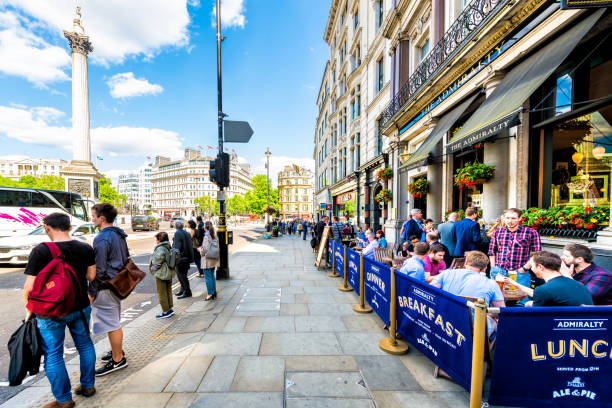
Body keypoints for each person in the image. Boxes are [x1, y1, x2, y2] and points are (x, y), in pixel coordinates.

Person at [23, 213, 97, 407]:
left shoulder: (41, 251)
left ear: (47, 228)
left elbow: (29, 288)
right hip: (80, 305)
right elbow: (91, 276)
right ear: (69, 227)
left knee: (54, 353)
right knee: (85, 345)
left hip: (50, 310)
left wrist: (29, 310)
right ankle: (88, 386)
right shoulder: (85, 247)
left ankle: (64, 400)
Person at [90, 203, 128, 377]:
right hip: (118, 282)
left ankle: (118, 359)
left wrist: (91, 292)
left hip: (106, 285)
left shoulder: (101, 238)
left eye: (93, 216)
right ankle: (116, 351)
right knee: (113, 321)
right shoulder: (118, 234)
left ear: (102, 218)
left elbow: (99, 269)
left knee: (112, 324)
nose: (92, 219)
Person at [431, 251, 505, 337]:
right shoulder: (492, 284)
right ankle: (483, 348)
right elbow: (501, 312)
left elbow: (431, 291)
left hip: (443, 322)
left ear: (466, 263)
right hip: (473, 331)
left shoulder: (447, 273)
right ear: (485, 268)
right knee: (496, 322)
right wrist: (488, 314)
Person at [488, 208, 541, 288]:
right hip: (499, 271)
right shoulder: (497, 232)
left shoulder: (531, 232)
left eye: (513, 218)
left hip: (520, 273)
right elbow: (492, 251)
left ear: (520, 218)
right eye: (507, 218)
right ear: (504, 218)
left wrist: (524, 268)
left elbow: (537, 254)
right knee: (498, 298)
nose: (510, 221)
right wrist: (493, 268)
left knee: (522, 298)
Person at [523, 251, 593, 307]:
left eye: (531, 266)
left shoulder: (543, 290)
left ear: (540, 267)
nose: (531, 268)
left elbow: (536, 318)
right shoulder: (579, 285)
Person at [149, 232, 175, 319]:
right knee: (168, 290)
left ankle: (165, 311)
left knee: (161, 292)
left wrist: (153, 268)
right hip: (169, 272)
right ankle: (170, 309)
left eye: (157, 239)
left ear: (159, 240)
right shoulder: (168, 246)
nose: (156, 241)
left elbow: (157, 261)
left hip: (161, 273)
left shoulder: (160, 248)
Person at [173, 220, 194, 299]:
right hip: (187, 258)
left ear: (176, 226)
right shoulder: (187, 233)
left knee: (181, 276)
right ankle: (182, 290)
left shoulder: (177, 233)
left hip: (181, 259)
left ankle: (187, 292)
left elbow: (176, 248)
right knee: (183, 275)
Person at [200, 221, 219, 301]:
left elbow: (205, 249)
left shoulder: (206, 236)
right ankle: (214, 291)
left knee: (208, 277)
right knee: (212, 276)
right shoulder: (214, 235)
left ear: (205, 228)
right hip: (213, 258)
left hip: (207, 260)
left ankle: (210, 294)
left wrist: (200, 250)